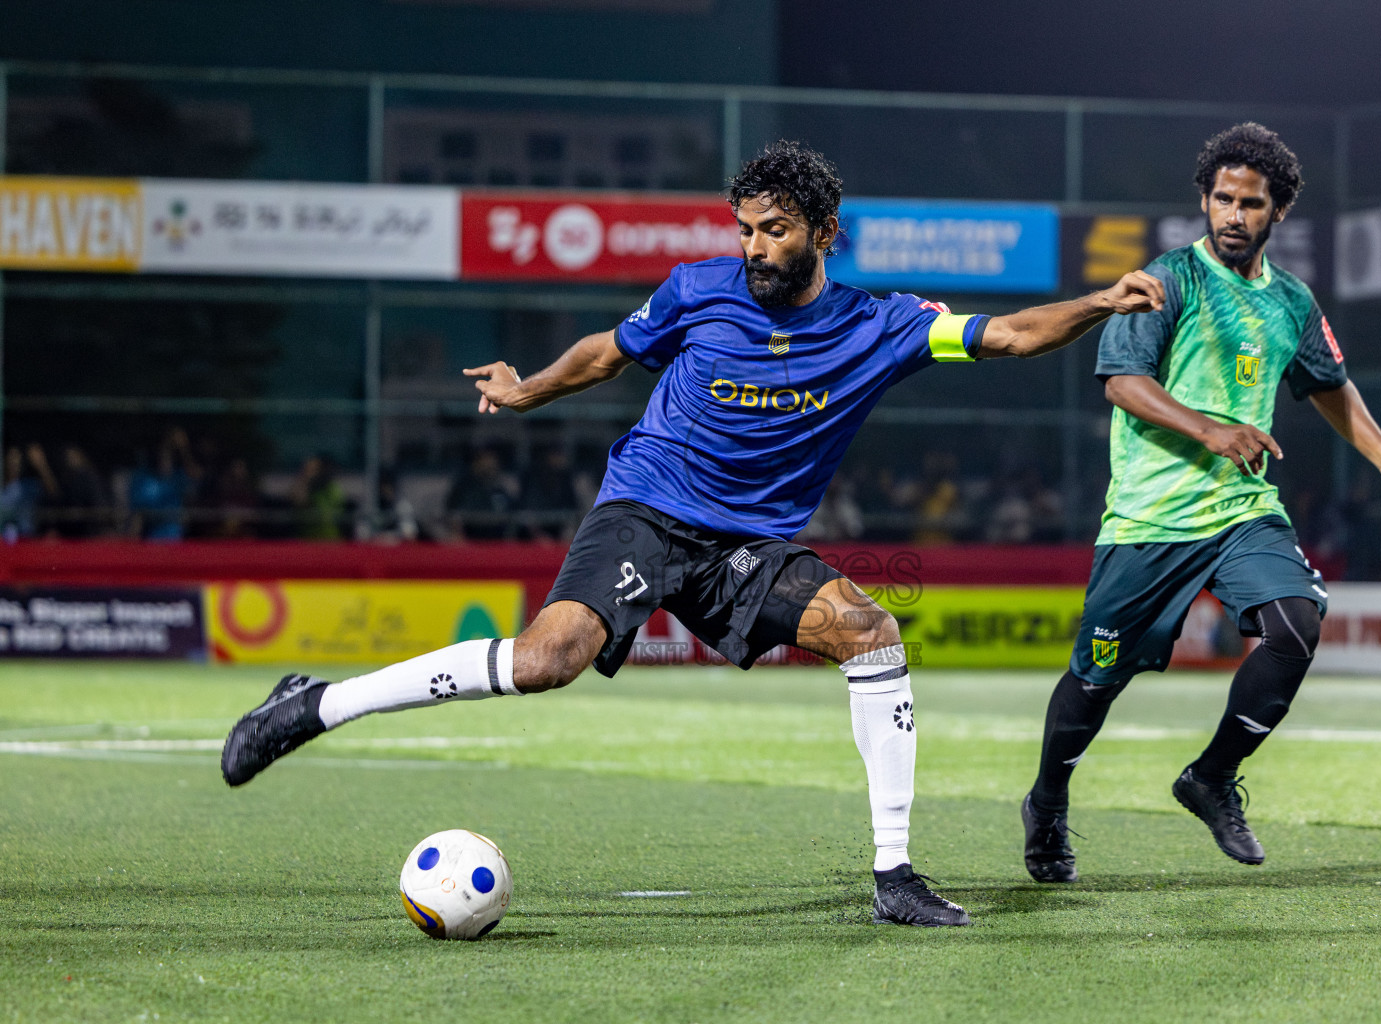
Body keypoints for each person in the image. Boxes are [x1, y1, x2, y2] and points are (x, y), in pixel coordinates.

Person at [221, 139, 1164, 927]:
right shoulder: (697, 289)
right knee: (548, 659)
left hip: (746, 546)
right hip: (648, 506)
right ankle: (310, 707)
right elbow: (607, 352)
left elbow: (1012, 336)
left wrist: (1098, 302)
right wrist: (527, 388)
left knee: (870, 631)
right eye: (746, 228)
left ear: (825, 233)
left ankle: (894, 878)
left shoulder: (883, 325)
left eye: (775, 230)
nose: (754, 247)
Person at [1021, 123, 1381, 884]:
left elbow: (1326, 384)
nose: (1233, 215)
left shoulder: (1291, 300)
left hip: (1242, 513)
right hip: (1150, 520)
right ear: (1204, 200)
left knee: (1298, 625)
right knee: (1097, 679)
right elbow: (1122, 381)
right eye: (1221, 199)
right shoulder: (1166, 278)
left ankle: (1211, 777)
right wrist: (1209, 429)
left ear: (1276, 211)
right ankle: (1047, 803)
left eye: (1250, 203)